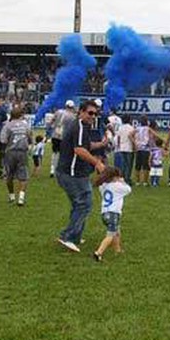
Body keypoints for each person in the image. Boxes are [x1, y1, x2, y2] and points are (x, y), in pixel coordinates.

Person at [56, 100, 107, 253]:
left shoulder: (82, 126)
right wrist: (97, 163)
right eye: (90, 113)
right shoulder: (78, 125)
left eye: (95, 114)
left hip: (76, 172)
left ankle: (75, 235)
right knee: (84, 204)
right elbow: (79, 150)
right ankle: (68, 236)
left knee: (80, 204)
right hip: (72, 173)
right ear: (81, 112)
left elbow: (86, 146)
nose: (93, 116)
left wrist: (101, 144)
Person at [93, 167, 132, 262]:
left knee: (116, 232)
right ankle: (98, 253)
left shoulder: (102, 186)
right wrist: (122, 181)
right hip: (113, 214)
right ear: (115, 177)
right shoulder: (118, 186)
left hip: (104, 213)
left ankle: (117, 250)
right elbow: (128, 189)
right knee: (110, 235)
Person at [0, 106, 33, 205]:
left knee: (9, 175)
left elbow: (3, 140)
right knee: (23, 176)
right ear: (21, 115)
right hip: (22, 152)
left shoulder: (7, 126)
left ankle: (11, 196)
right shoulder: (26, 125)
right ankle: (21, 198)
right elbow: (30, 138)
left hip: (10, 152)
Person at [49, 100, 76, 178]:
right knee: (63, 154)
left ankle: (52, 169)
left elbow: (51, 121)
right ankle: (60, 169)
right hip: (64, 136)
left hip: (55, 135)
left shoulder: (58, 112)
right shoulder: (72, 116)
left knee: (55, 152)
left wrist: (51, 128)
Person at [116, 114, 136, 185]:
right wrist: (134, 147)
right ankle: (127, 178)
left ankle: (123, 177)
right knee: (129, 165)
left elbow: (118, 137)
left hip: (122, 147)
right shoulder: (131, 128)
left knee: (123, 164)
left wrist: (118, 146)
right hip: (129, 148)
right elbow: (133, 138)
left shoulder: (120, 128)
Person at [134, 116, 152, 186]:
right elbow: (154, 135)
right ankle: (145, 182)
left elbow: (130, 135)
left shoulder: (137, 128)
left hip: (138, 148)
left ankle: (137, 181)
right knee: (145, 165)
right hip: (146, 148)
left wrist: (135, 143)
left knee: (138, 165)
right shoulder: (148, 128)